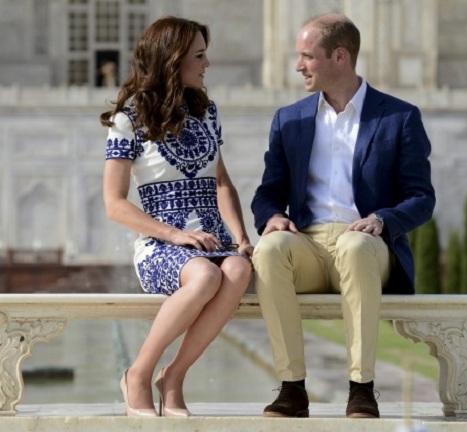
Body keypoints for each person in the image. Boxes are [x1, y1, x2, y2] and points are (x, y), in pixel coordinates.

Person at [251, 13, 436, 419]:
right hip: (309, 246)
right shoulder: (290, 119)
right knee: (269, 249)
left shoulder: (398, 117)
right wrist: (270, 218)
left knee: (354, 245)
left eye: (306, 56)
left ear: (339, 56)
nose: (299, 66)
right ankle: (292, 387)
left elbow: (421, 197)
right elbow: (267, 193)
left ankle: (361, 388)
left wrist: (384, 219)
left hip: (368, 246)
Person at [101, 16, 254, 418]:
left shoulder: (207, 113)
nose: (207, 64)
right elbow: (114, 204)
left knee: (238, 271)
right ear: (173, 60)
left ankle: (173, 377)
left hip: (212, 242)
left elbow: (223, 184)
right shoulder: (129, 120)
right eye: (200, 56)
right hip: (160, 246)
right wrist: (174, 235)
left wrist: (240, 237)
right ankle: (138, 374)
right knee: (204, 275)